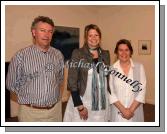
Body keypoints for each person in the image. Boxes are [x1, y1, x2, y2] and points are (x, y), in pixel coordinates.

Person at [6, 16, 64, 122]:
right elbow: (11, 84)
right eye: (42, 30)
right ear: (33, 32)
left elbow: (60, 79)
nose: (46, 35)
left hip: (55, 111)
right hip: (30, 113)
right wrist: (29, 93)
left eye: (50, 31)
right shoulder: (20, 56)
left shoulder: (58, 55)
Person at [63, 24, 111, 122]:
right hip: (83, 101)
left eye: (96, 35)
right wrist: (80, 107)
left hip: (102, 103)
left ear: (100, 37)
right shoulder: (77, 53)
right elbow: (72, 81)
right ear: (86, 38)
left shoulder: (106, 54)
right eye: (90, 35)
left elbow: (107, 78)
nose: (93, 38)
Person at [109, 39, 146, 122]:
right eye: (120, 50)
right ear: (116, 52)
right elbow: (111, 93)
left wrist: (130, 110)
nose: (124, 53)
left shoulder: (139, 67)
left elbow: (142, 92)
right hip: (117, 111)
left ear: (131, 52)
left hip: (134, 112)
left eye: (127, 50)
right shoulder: (111, 69)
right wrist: (124, 110)